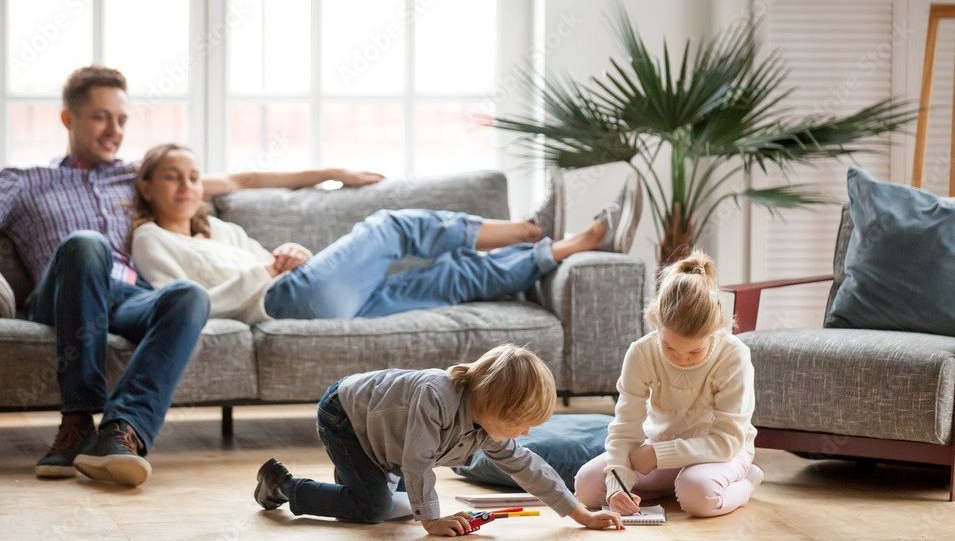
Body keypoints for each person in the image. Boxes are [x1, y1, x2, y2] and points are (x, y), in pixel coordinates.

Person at [0, 65, 383, 486]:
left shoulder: (133, 176)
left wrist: (333, 174)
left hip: (127, 296)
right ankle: (76, 422)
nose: (114, 130)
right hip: (62, 297)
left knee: (188, 294)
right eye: (100, 117)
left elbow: (242, 179)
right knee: (86, 243)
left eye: (122, 119)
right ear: (68, 119)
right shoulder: (24, 182)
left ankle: (120, 433)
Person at [128, 143, 640, 323]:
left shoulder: (219, 228)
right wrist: (268, 271)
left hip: (311, 293)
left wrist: (290, 252)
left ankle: (571, 245)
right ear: (147, 186)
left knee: (449, 279)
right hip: (281, 302)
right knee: (390, 226)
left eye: (193, 176)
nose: (186, 186)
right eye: (172, 176)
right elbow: (179, 303)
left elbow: (272, 257)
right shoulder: (151, 239)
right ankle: (530, 228)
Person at [252, 344, 624, 535]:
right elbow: (417, 462)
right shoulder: (436, 396)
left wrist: (582, 514)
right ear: (492, 403)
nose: (525, 433)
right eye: (519, 423)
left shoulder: (487, 425)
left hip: (385, 438)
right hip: (346, 417)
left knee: (393, 509)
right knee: (375, 509)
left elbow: (529, 468)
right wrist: (432, 520)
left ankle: (355, 484)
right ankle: (283, 485)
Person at [573, 251, 763, 518]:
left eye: (694, 352)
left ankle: (744, 483)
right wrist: (618, 485)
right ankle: (673, 486)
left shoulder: (734, 356)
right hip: (660, 447)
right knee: (586, 488)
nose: (682, 360)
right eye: (669, 348)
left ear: (717, 330)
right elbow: (625, 429)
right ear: (656, 322)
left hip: (722, 452)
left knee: (698, 496)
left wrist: (657, 455)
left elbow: (726, 441)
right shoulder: (641, 352)